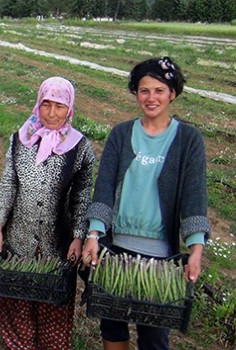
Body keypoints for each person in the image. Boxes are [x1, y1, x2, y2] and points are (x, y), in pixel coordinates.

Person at [81, 57, 210, 350]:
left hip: (160, 257)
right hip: (115, 250)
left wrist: (196, 250)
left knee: (154, 335)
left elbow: (194, 198)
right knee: (112, 326)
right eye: (144, 90)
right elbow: (103, 188)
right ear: (136, 93)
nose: (151, 98)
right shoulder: (121, 134)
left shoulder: (188, 140)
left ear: (173, 93)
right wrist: (94, 235)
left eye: (159, 90)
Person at [0, 77, 95, 349]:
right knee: (17, 305)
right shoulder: (20, 139)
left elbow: (82, 197)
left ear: (69, 109)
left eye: (59, 106)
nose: (51, 113)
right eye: (46, 104)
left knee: (53, 312)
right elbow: (9, 183)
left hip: (57, 244)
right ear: (38, 104)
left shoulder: (80, 148)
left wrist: (79, 236)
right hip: (19, 240)